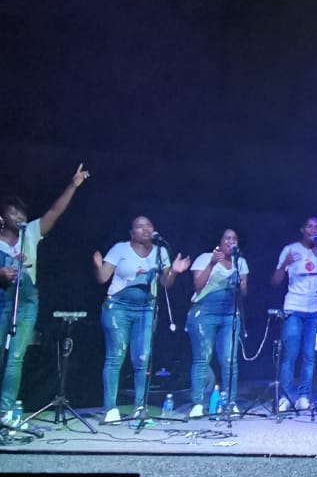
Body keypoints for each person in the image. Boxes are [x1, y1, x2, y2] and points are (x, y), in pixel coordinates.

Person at [0, 164, 91, 426]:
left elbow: (54, 212)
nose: (18, 215)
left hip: (26, 301)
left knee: (16, 358)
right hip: (3, 300)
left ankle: (5, 411)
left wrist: (73, 185)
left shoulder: (29, 233)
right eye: (12, 211)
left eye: (21, 211)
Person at [94, 216, 191, 423]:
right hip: (118, 307)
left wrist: (174, 271)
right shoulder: (120, 249)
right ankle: (110, 408)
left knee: (142, 358)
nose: (145, 229)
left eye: (149, 225)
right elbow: (102, 277)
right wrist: (97, 265)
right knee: (115, 357)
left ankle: (140, 406)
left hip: (146, 308)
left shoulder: (160, 252)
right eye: (139, 226)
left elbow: (165, 283)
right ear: (132, 232)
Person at [271, 217, 317, 412]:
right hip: (294, 308)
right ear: (302, 229)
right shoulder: (290, 249)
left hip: (315, 310)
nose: (313, 230)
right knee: (290, 353)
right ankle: (287, 396)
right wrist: (285, 264)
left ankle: (304, 396)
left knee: (309, 355)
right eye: (310, 227)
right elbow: (275, 281)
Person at [186, 229, 249, 417]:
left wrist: (242, 285)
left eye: (235, 238)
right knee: (202, 357)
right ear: (220, 241)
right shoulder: (205, 258)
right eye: (227, 238)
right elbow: (198, 286)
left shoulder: (240, 262)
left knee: (229, 360)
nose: (231, 241)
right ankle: (198, 403)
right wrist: (212, 263)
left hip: (229, 314)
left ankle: (230, 401)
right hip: (204, 312)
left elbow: (243, 293)